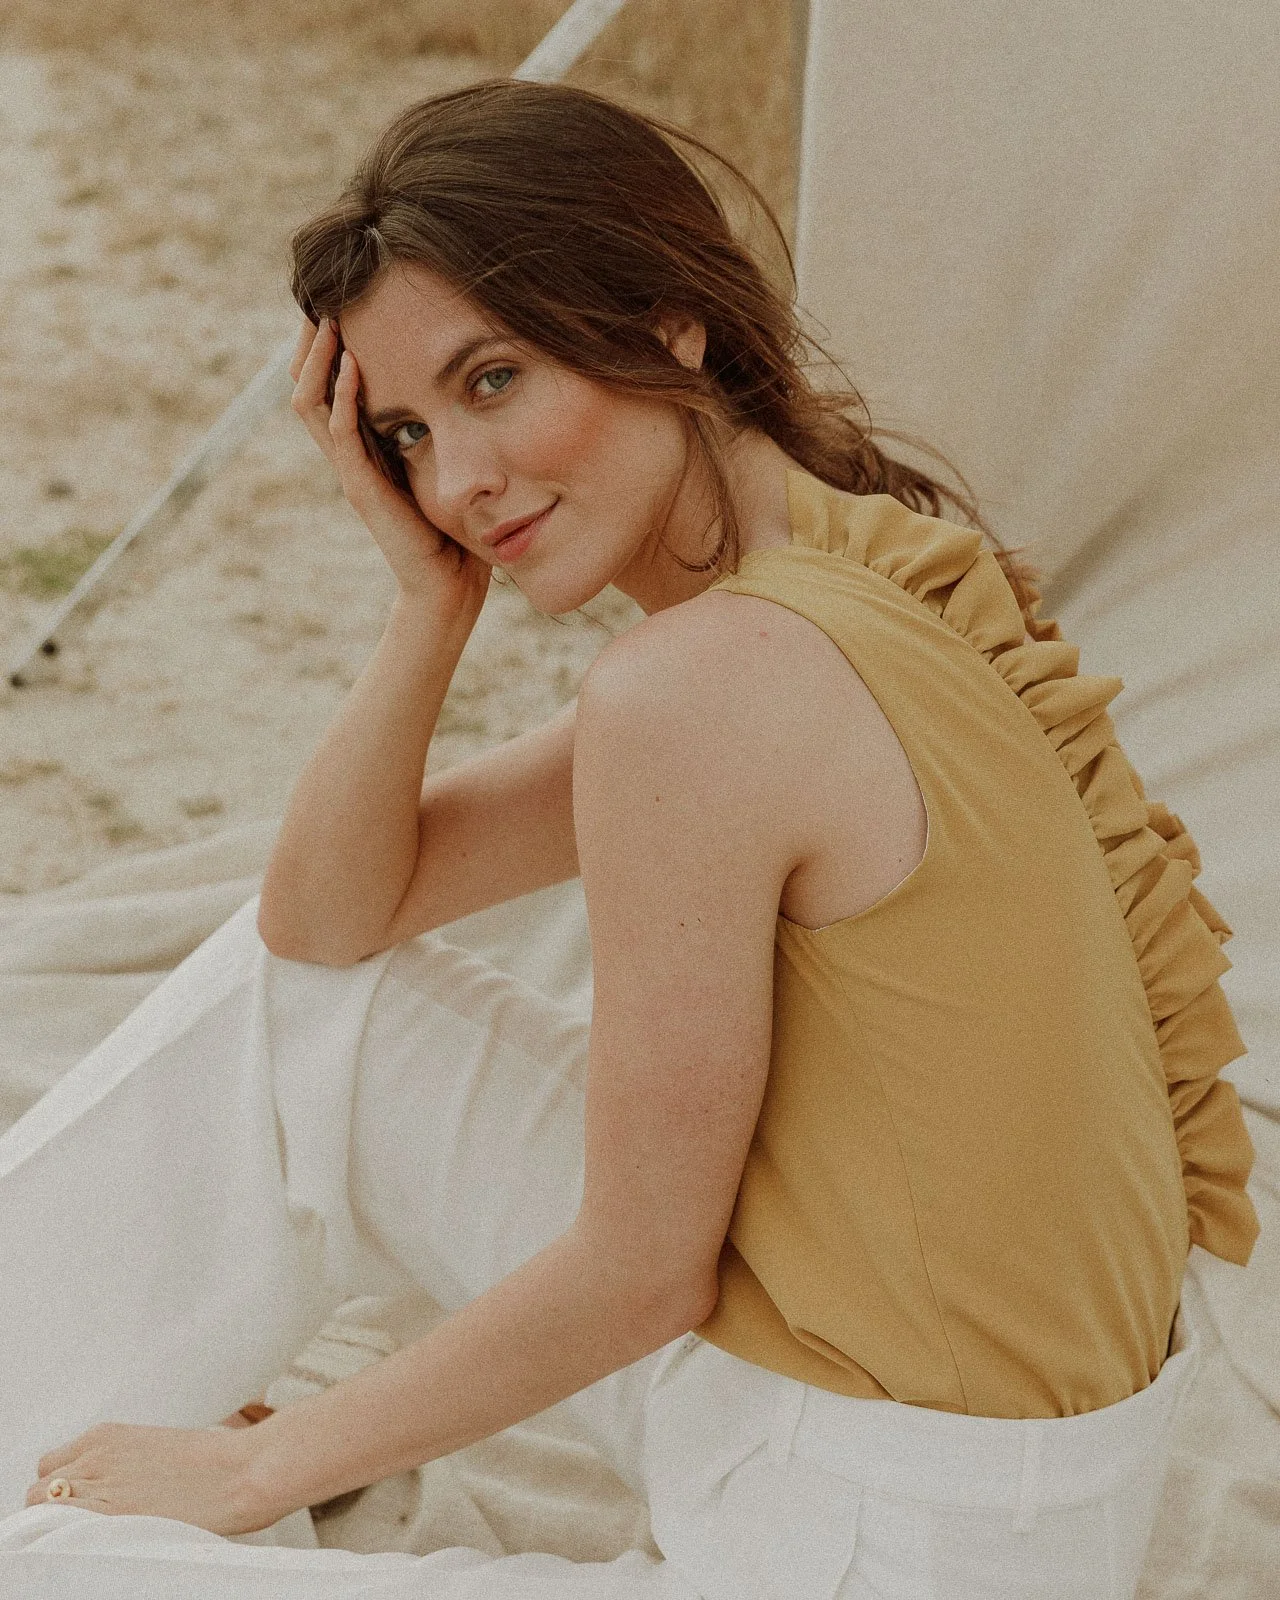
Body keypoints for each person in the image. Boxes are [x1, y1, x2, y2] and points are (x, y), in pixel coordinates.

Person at [0, 79, 1258, 1599]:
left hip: (876, 1546)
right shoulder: (847, 564)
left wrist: (261, 1468)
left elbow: (643, 1267)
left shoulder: (705, 689)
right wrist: (427, 607)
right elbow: (322, 928)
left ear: (671, 324)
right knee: (325, 1017)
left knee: (71, 1573)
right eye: (404, 430)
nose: (457, 484)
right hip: (939, 1448)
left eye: (493, 379)